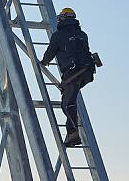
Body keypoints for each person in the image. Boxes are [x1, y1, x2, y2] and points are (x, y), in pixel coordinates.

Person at [40, 8, 96, 147]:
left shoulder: (58, 35)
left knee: (67, 103)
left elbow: (49, 54)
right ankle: (72, 133)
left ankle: (73, 133)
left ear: (63, 18)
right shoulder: (82, 34)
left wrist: (43, 63)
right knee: (70, 98)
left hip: (73, 73)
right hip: (86, 72)